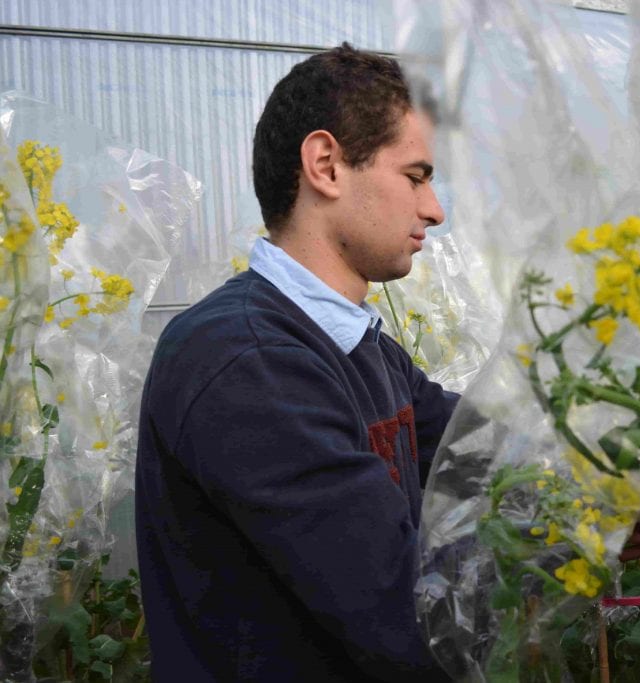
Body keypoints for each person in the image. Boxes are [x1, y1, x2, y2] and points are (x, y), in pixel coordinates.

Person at [134, 44, 457, 681]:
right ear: (327, 165)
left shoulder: (351, 342)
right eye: (416, 177)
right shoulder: (248, 360)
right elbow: (402, 611)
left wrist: (599, 475)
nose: (434, 210)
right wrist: (569, 540)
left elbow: (465, 445)